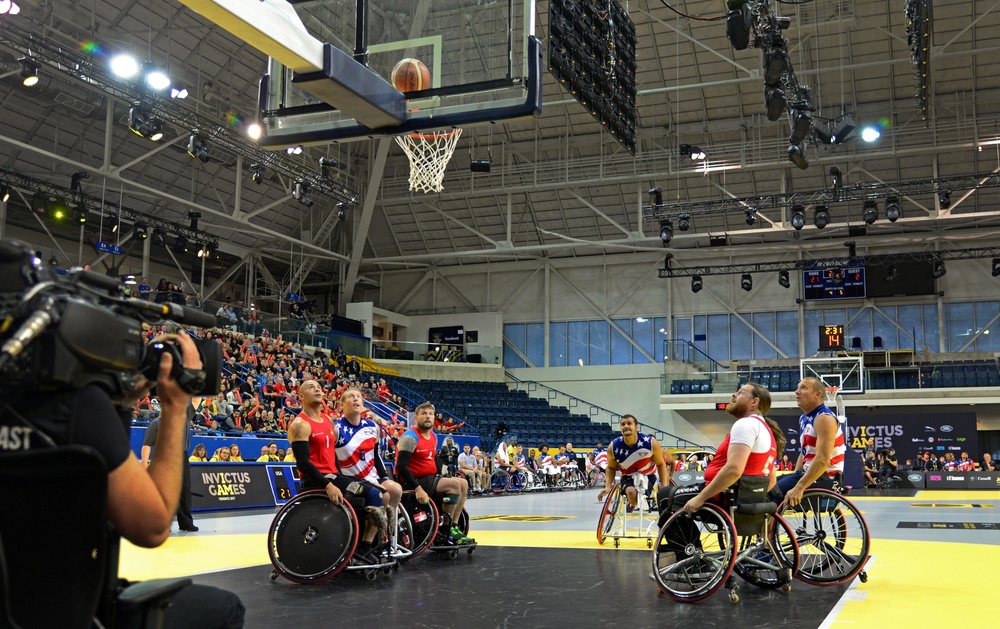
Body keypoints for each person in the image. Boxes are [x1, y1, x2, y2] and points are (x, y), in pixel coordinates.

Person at [0, 324, 243, 627]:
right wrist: (174, 405)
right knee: (225, 607)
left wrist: (123, 403)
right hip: (66, 607)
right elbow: (151, 529)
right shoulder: (80, 408)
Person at [656, 383, 784, 523]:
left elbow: (734, 470)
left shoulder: (746, 425)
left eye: (740, 393)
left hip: (723, 499)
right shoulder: (767, 431)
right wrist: (751, 499)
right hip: (744, 502)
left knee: (665, 495)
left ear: (754, 402)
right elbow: (771, 480)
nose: (734, 395)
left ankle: (689, 545)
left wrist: (701, 497)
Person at [333, 386, 403, 560]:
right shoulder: (336, 428)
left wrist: (385, 477)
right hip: (349, 478)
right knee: (383, 494)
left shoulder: (373, 427)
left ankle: (388, 535)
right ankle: (368, 544)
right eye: (350, 397)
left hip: (371, 476)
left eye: (358, 396)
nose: (356, 399)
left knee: (395, 489)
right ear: (342, 404)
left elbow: (376, 456)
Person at [394, 401, 474, 545]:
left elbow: (435, 461)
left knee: (463, 483)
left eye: (430, 414)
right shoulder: (410, 437)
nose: (427, 417)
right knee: (455, 485)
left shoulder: (433, 436)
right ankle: (445, 530)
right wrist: (417, 489)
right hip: (412, 480)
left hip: (429, 478)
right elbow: (401, 467)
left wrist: (442, 476)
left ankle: (454, 527)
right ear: (416, 417)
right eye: (423, 413)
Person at [774, 377, 846, 506]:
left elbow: (823, 460)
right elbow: (804, 453)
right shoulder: (804, 418)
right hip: (809, 474)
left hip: (824, 478)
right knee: (766, 483)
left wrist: (799, 487)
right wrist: (795, 476)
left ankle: (763, 526)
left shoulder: (824, 418)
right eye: (798, 387)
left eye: (803, 388)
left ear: (817, 394)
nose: (797, 392)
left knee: (770, 492)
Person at [140, 402, 198, 532]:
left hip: (182, 457)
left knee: (184, 491)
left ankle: (186, 523)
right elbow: (147, 444)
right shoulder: (156, 424)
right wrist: (144, 463)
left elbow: (195, 401)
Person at [598, 414, 673, 512]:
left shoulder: (651, 443)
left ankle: (638, 500)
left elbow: (661, 464)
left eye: (629, 423)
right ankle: (632, 502)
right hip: (627, 476)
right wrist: (607, 487)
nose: (626, 426)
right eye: (623, 424)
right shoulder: (613, 446)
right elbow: (611, 468)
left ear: (636, 427)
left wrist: (665, 488)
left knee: (641, 494)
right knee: (631, 493)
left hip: (648, 475)